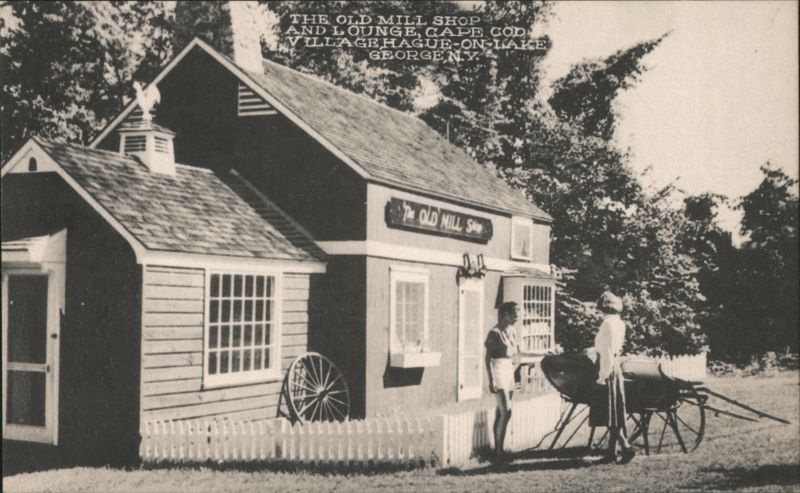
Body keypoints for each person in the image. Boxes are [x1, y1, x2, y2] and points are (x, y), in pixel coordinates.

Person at [591, 290, 635, 464]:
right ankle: (611, 451)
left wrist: (602, 376)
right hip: (614, 366)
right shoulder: (619, 323)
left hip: (607, 368)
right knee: (613, 412)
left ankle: (626, 446)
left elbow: (607, 351)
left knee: (608, 412)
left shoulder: (607, 324)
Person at [484, 301, 521, 462]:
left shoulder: (512, 331)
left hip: (508, 369)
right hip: (497, 368)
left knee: (501, 412)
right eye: (514, 313)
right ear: (505, 314)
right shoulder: (494, 333)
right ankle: (498, 451)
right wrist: (491, 379)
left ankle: (499, 448)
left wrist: (545, 353)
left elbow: (520, 352)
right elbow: (487, 358)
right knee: (507, 410)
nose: (517, 316)